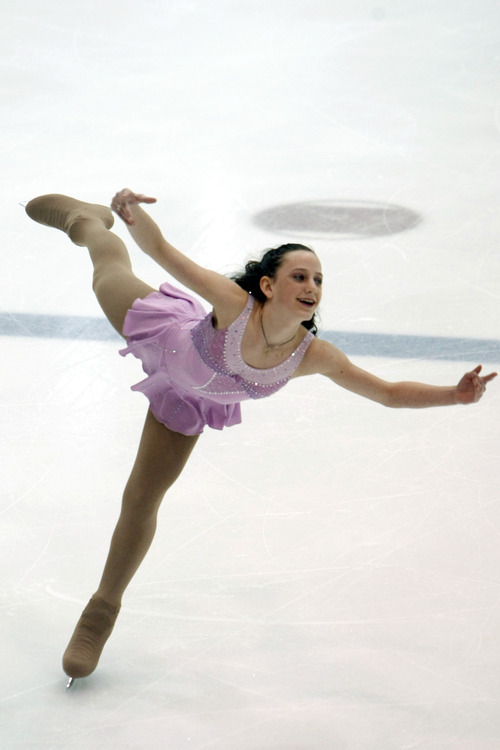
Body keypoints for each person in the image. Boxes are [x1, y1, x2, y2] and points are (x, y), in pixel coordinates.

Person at [25, 190, 497, 686]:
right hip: (163, 336)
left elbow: (386, 393)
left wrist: (454, 395)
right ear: (268, 285)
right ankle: (88, 222)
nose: (311, 285)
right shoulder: (235, 307)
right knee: (107, 270)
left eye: (317, 279)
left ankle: (102, 608)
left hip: (185, 400)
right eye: (300, 275)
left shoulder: (313, 355)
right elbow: (164, 253)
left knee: (142, 497)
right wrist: (129, 214)